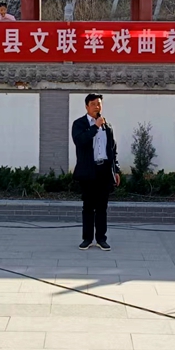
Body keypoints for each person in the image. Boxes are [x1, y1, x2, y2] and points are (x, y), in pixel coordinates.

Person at [72, 93, 120, 251]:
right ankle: (87, 239)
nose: (97, 107)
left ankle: (101, 239)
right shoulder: (79, 124)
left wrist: (116, 169)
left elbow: (112, 150)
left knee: (102, 207)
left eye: (99, 104)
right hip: (88, 171)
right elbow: (80, 141)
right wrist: (95, 127)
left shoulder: (107, 126)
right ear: (86, 106)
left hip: (104, 170)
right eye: (93, 104)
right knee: (88, 207)